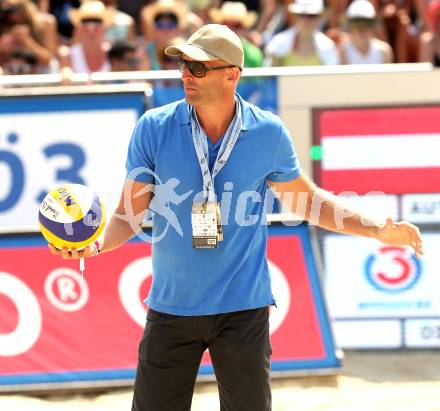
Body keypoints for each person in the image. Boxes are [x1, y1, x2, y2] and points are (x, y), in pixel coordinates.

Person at [48, 23, 423, 411]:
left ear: (232, 75)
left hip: (243, 311)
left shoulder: (267, 132)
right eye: (182, 66)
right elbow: (129, 215)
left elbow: (308, 203)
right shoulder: (154, 127)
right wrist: (93, 245)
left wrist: (377, 229)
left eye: (197, 68)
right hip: (171, 308)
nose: (185, 75)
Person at [264, 0, 340, 66]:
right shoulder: (278, 43)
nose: (306, 21)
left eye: (311, 16)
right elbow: (269, 78)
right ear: (295, 16)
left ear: (320, 18)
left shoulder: (328, 46)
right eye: (302, 15)